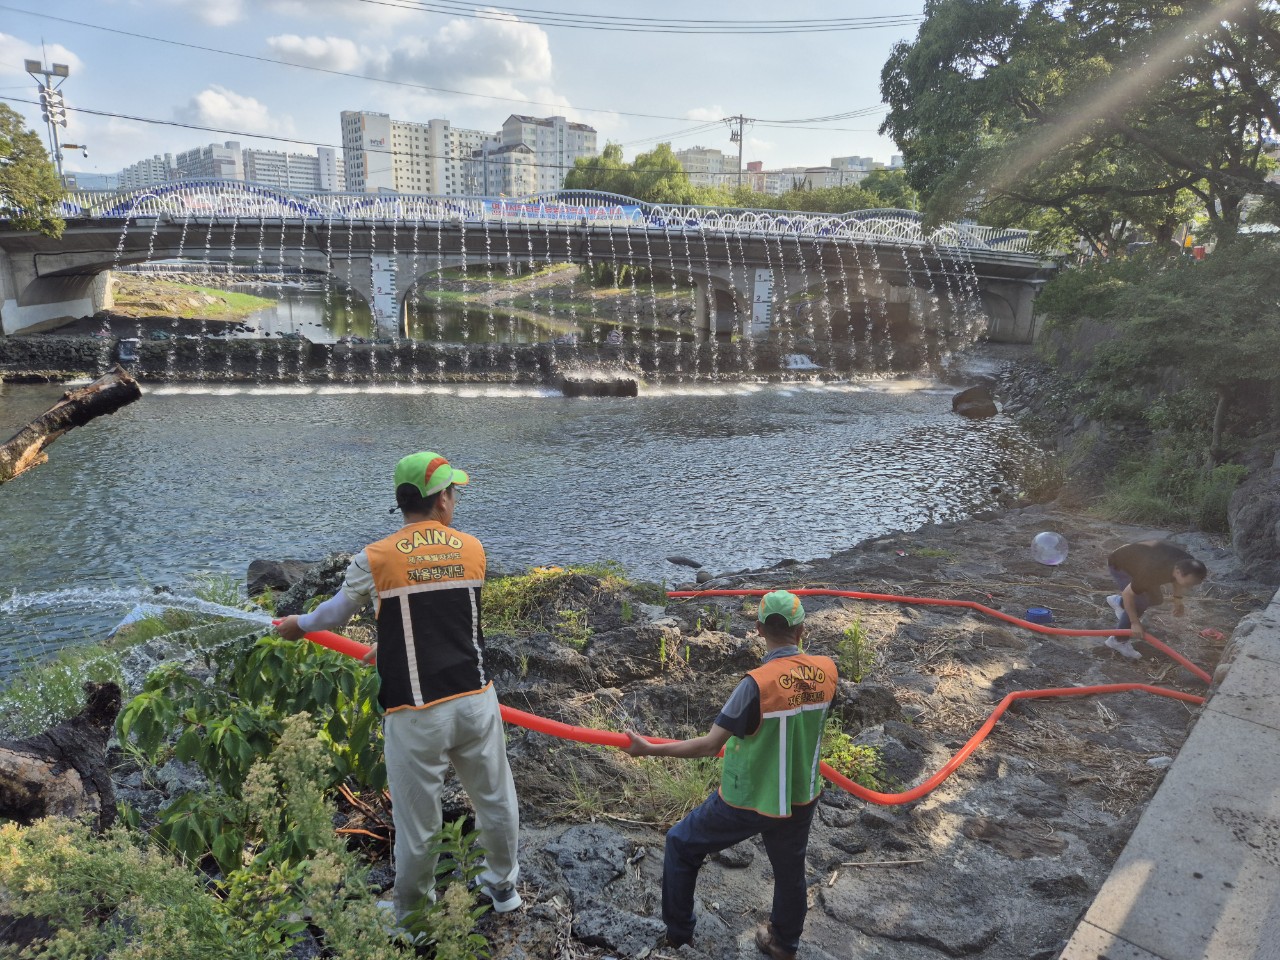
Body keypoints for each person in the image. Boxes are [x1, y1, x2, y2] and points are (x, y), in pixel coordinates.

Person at [275, 451, 521, 927]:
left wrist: (297, 625)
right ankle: (503, 887)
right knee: (496, 799)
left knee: (419, 823)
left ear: (402, 501)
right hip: (475, 699)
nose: (455, 499)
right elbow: (447, 615)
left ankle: (413, 918)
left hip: (416, 710)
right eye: (454, 491)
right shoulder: (472, 548)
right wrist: (388, 645)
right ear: (442, 499)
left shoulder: (376, 557)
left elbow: (332, 617)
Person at [619, 590, 837, 960]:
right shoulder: (828, 671)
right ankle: (784, 944)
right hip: (801, 791)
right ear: (802, 631)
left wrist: (648, 749)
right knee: (789, 870)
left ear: (757, 629)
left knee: (681, 844)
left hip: (750, 795)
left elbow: (709, 745)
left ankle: (678, 935)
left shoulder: (756, 683)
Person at [1102, 539, 1208, 660]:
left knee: (1156, 599)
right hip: (1120, 564)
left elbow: (1178, 580)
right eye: (1189, 584)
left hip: (1138, 558)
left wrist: (1178, 600)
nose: (1189, 587)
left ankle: (1118, 603)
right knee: (1140, 602)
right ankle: (1117, 640)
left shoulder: (1188, 563)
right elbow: (1128, 594)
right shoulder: (1152, 573)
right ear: (1178, 572)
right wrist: (1134, 623)